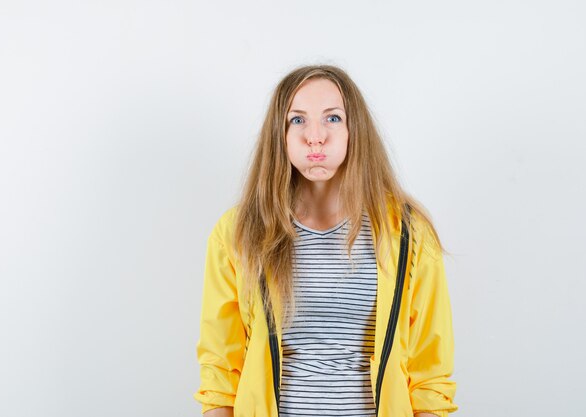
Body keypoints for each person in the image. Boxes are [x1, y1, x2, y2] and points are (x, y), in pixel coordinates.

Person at [193, 64, 458, 417]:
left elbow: (430, 375)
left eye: (332, 119)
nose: (315, 137)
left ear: (355, 131)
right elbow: (220, 372)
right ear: (280, 135)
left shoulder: (408, 234)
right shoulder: (238, 234)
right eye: (297, 120)